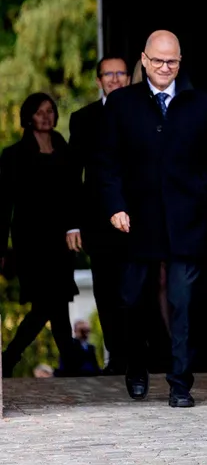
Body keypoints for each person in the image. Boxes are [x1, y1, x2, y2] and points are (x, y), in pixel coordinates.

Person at [99, 30, 207, 408]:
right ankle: (136, 365)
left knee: (184, 302)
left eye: (172, 61)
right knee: (133, 298)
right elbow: (107, 164)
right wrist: (115, 205)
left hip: (188, 219)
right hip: (137, 220)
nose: (165, 67)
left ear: (180, 62)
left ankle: (180, 382)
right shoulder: (121, 103)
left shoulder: (200, 103)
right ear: (144, 60)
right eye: (158, 61)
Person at [0, 94, 82, 378]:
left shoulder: (65, 149)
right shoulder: (12, 156)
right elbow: (4, 205)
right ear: (28, 117)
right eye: (39, 112)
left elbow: (75, 194)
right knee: (49, 303)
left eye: (49, 111)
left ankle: (12, 359)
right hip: (31, 242)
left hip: (61, 242)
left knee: (56, 303)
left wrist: (75, 226)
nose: (45, 116)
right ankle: (12, 357)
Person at [68, 56, 131, 375]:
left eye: (121, 73)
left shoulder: (145, 111)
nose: (115, 79)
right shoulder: (82, 118)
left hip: (139, 216)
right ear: (98, 80)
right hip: (97, 219)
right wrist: (72, 223)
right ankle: (117, 356)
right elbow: (72, 174)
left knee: (139, 287)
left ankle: (146, 354)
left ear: (130, 77)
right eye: (109, 74)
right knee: (106, 290)